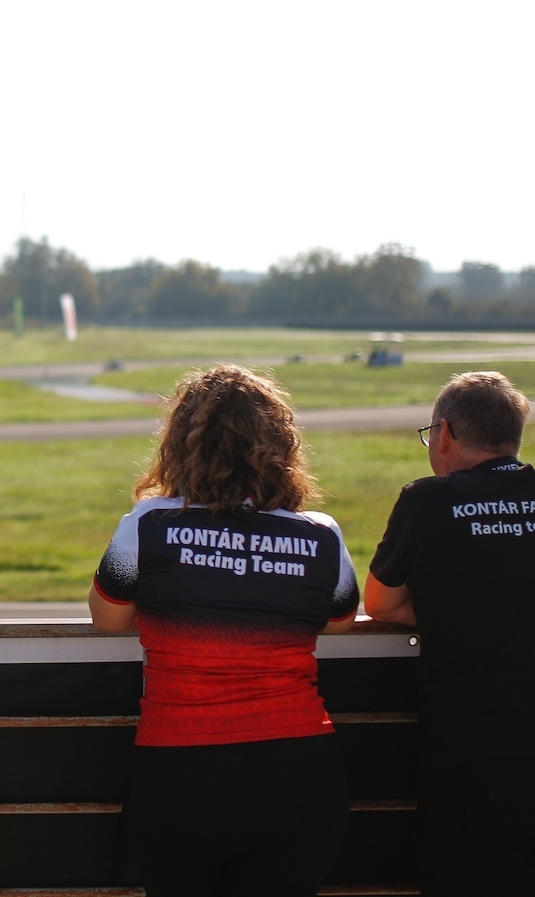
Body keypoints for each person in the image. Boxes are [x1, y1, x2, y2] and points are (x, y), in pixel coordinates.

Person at [90, 365, 358, 897]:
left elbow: (109, 617)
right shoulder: (321, 536)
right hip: (299, 770)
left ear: (180, 444)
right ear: (281, 446)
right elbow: (340, 618)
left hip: (180, 774)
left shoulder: (148, 524)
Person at [365, 371, 535, 897]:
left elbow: (379, 602)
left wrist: (458, 608)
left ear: (445, 433)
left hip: (478, 758)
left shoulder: (426, 500)